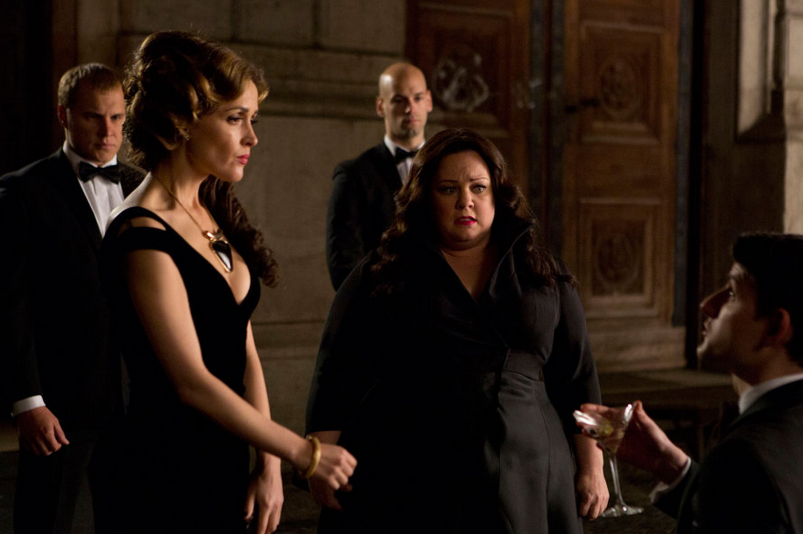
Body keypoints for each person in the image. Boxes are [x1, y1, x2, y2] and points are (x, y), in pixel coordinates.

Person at [100, 31, 356, 534]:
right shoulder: (139, 231)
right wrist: (304, 453)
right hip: (162, 474)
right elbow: (192, 382)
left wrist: (269, 466)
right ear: (184, 121)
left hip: (223, 463)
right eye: (236, 118)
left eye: (253, 119)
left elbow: (245, 350)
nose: (251, 138)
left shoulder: (209, 210)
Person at [306, 128, 608, 533]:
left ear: (497, 195)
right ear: (425, 197)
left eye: (478, 188)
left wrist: (593, 466)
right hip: (410, 464)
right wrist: (320, 458)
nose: (466, 201)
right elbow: (337, 368)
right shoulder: (384, 271)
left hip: (530, 468)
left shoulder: (542, 271)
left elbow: (579, 377)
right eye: (448, 189)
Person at [581, 233, 803, 533]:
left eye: (733, 293)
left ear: (776, 326)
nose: (708, 305)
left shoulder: (744, 460)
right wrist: (672, 467)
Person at [0, 63, 140, 534]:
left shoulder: (144, 185)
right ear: (63, 115)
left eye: (117, 117)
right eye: (93, 117)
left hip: (136, 398)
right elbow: (6, 302)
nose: (108, 131)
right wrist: (27, 401)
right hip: (60, 398)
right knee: (43, 521)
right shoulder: (22, 191)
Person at [325, 61, 432, 290]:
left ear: (429, 101)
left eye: (417, 98)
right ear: (380, 106)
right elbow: (344, 266)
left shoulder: (447, 167)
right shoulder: (353, 175)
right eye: (399, 100)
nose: (410, 108)